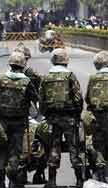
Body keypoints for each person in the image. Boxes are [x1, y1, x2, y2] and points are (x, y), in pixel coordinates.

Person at [0, 51, 38, 188]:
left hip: (3, 121)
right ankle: (12, 180)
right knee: (15, 151)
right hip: (19, 122)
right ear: (23, 65)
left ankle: (0, 181)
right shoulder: (26, 81)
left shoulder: (1, 78)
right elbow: (34, 98)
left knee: (2, 149)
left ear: (10, 64)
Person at [40, 48, 84, 188]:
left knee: (54, 148)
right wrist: (77, 114)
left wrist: (46, 115)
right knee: (74, 148)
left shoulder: (46, 77)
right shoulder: (70, 76)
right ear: (66, 61)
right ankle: (79, 181)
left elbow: (42, 100)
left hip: (53, 119)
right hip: (70, 118)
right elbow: (78, 98)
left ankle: (52, 181)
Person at [85, 51, 108, 183]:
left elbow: (88, 98)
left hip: (99, 118)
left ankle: (100, 173)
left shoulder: (93, 78)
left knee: (99, 144)